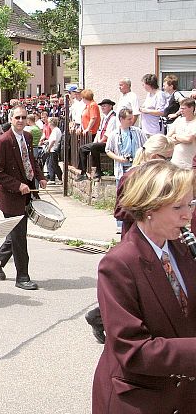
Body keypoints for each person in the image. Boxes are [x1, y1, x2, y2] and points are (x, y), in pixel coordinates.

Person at [92, 160, 196, 413]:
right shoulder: (118, 264)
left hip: (183, 397)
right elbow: (133, 349)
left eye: (191, 204)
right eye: (178, 207)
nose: (188, 215)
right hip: (139, 399)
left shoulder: (182, 248)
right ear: (150, 208)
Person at [87, 134, 175, 343]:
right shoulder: (132, 176)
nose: (169, 163)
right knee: (136, 287)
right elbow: (119, 211)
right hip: (136, 240)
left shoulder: (157, 176)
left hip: (157, 238)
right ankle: (99, 317)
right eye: (166, 158)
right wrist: (147, 211)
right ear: (154, 156)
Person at [0, 104, 48, 290]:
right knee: (20, 237)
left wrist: (40, 177)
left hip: (28, 194)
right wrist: (17, 185)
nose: (21, 121)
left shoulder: (28, 137)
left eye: (23, 117)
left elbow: (31, 161)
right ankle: (22, 277)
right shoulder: (3, 141)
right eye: (17, 118)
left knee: (16, 234)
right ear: (10, 119)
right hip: (11, 197)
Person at [106, 108, 147, 234]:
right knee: (122, 197)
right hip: (122, 168)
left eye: (132, 118)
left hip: (136, 167)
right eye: (129, 119)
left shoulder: (138, 132)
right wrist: (119, 158)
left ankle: (137, 221)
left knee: (138, 195)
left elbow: (146, 146)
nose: (131, 121)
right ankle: (120, 223)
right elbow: (108, 150)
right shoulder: (114, 134)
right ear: (121, 119)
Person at [77, 98, 117, 181]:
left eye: (104, 106)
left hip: (109, 143)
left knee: (94, 147)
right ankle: (83, 172)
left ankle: (98, 172)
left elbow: (107, 135)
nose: (102, 108)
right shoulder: (104, 118)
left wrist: (97, 143)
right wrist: (95, 142)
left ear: (110, 107)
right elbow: (99, 131)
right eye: (102, 106)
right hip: (102, 142)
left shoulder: (113, 118)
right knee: (82, 148)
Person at [168, 97, 196, 169]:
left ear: (191, 108)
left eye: (183, 108)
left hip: (188, 164)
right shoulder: (179, 120)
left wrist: (175, 136)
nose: (181, 111)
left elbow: (188, 139)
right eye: (180, 108)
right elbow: (168, 137)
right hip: (175, 162)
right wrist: (179, 139)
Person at [44, 117, 63, 184]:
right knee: (50, 164)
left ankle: (60, 178)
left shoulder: (55, 130)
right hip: (53, 149)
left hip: (53, 149)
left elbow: (54, 140)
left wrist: (49, 148)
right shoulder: (56, 130)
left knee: (54, 164)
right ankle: (52, 178)